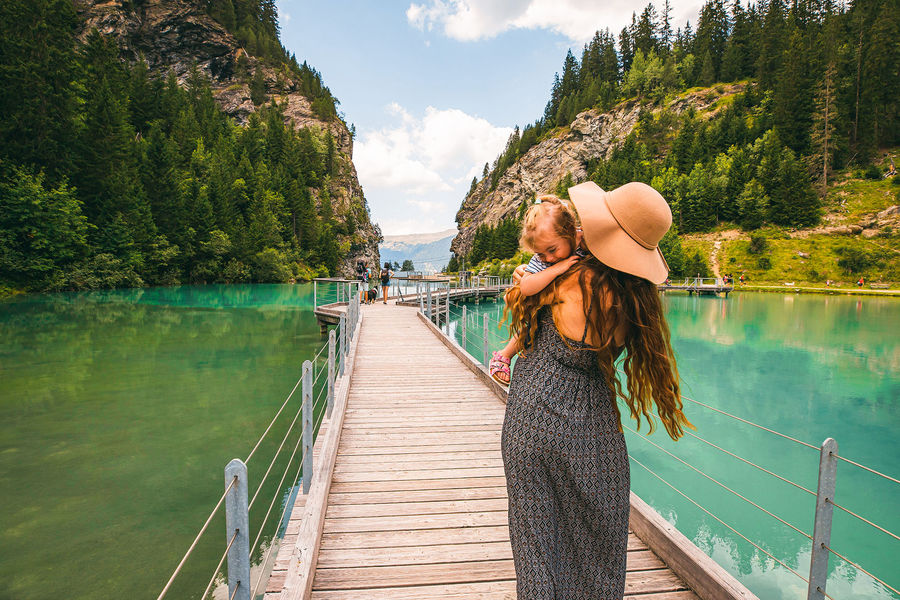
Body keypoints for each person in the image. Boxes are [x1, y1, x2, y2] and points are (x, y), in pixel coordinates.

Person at [502, 181, 692, 599]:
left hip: (533, 412)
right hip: (593, 423)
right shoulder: (636, 296)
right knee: (598, 535)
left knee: (536, 536)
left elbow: (519, 298)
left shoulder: (566, 280)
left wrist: (522, 279)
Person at [488, 195, 587, 386]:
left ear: (570, 232)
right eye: (541, 253)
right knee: (533, 322)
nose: (548, 258)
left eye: (552, 250)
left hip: (571, 311)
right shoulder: (543, 260)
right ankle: (504, 354)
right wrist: (557, 268)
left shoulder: (583, 239)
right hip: (545, 304)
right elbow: (526, 287)